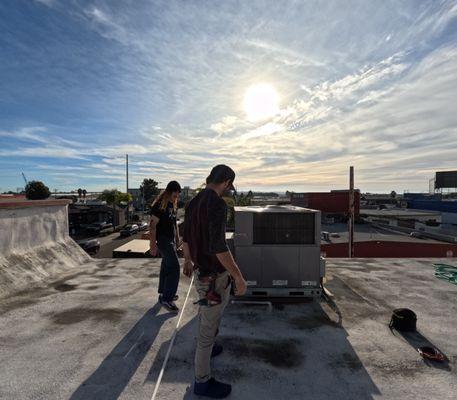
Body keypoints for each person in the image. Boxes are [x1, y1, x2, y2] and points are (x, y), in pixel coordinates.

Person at [182, 164, 247, 399]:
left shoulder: (192, 202)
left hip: (201, 274)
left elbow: (185, 236)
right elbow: (219, 247)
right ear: (227, 182)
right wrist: (239, 277)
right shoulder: (217, 204)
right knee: (207, 329)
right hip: (214, 277)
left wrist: (188, 260)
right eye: (230, 185)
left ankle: (208, 350)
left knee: (208, 319)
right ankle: (202, 382)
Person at [149, 180, 182, 313]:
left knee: (166, 266)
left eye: (178, 194)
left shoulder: (172, 204)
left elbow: (174, 223)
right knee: (174, 267)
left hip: (170, 240)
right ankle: (167, 298)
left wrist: (178, 239)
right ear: (169, 191)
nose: (177, 197)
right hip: (163, 240)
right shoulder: (159, 205)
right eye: (175, 194)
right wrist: (152, 245)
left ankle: (164, 293)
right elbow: (152, 226)